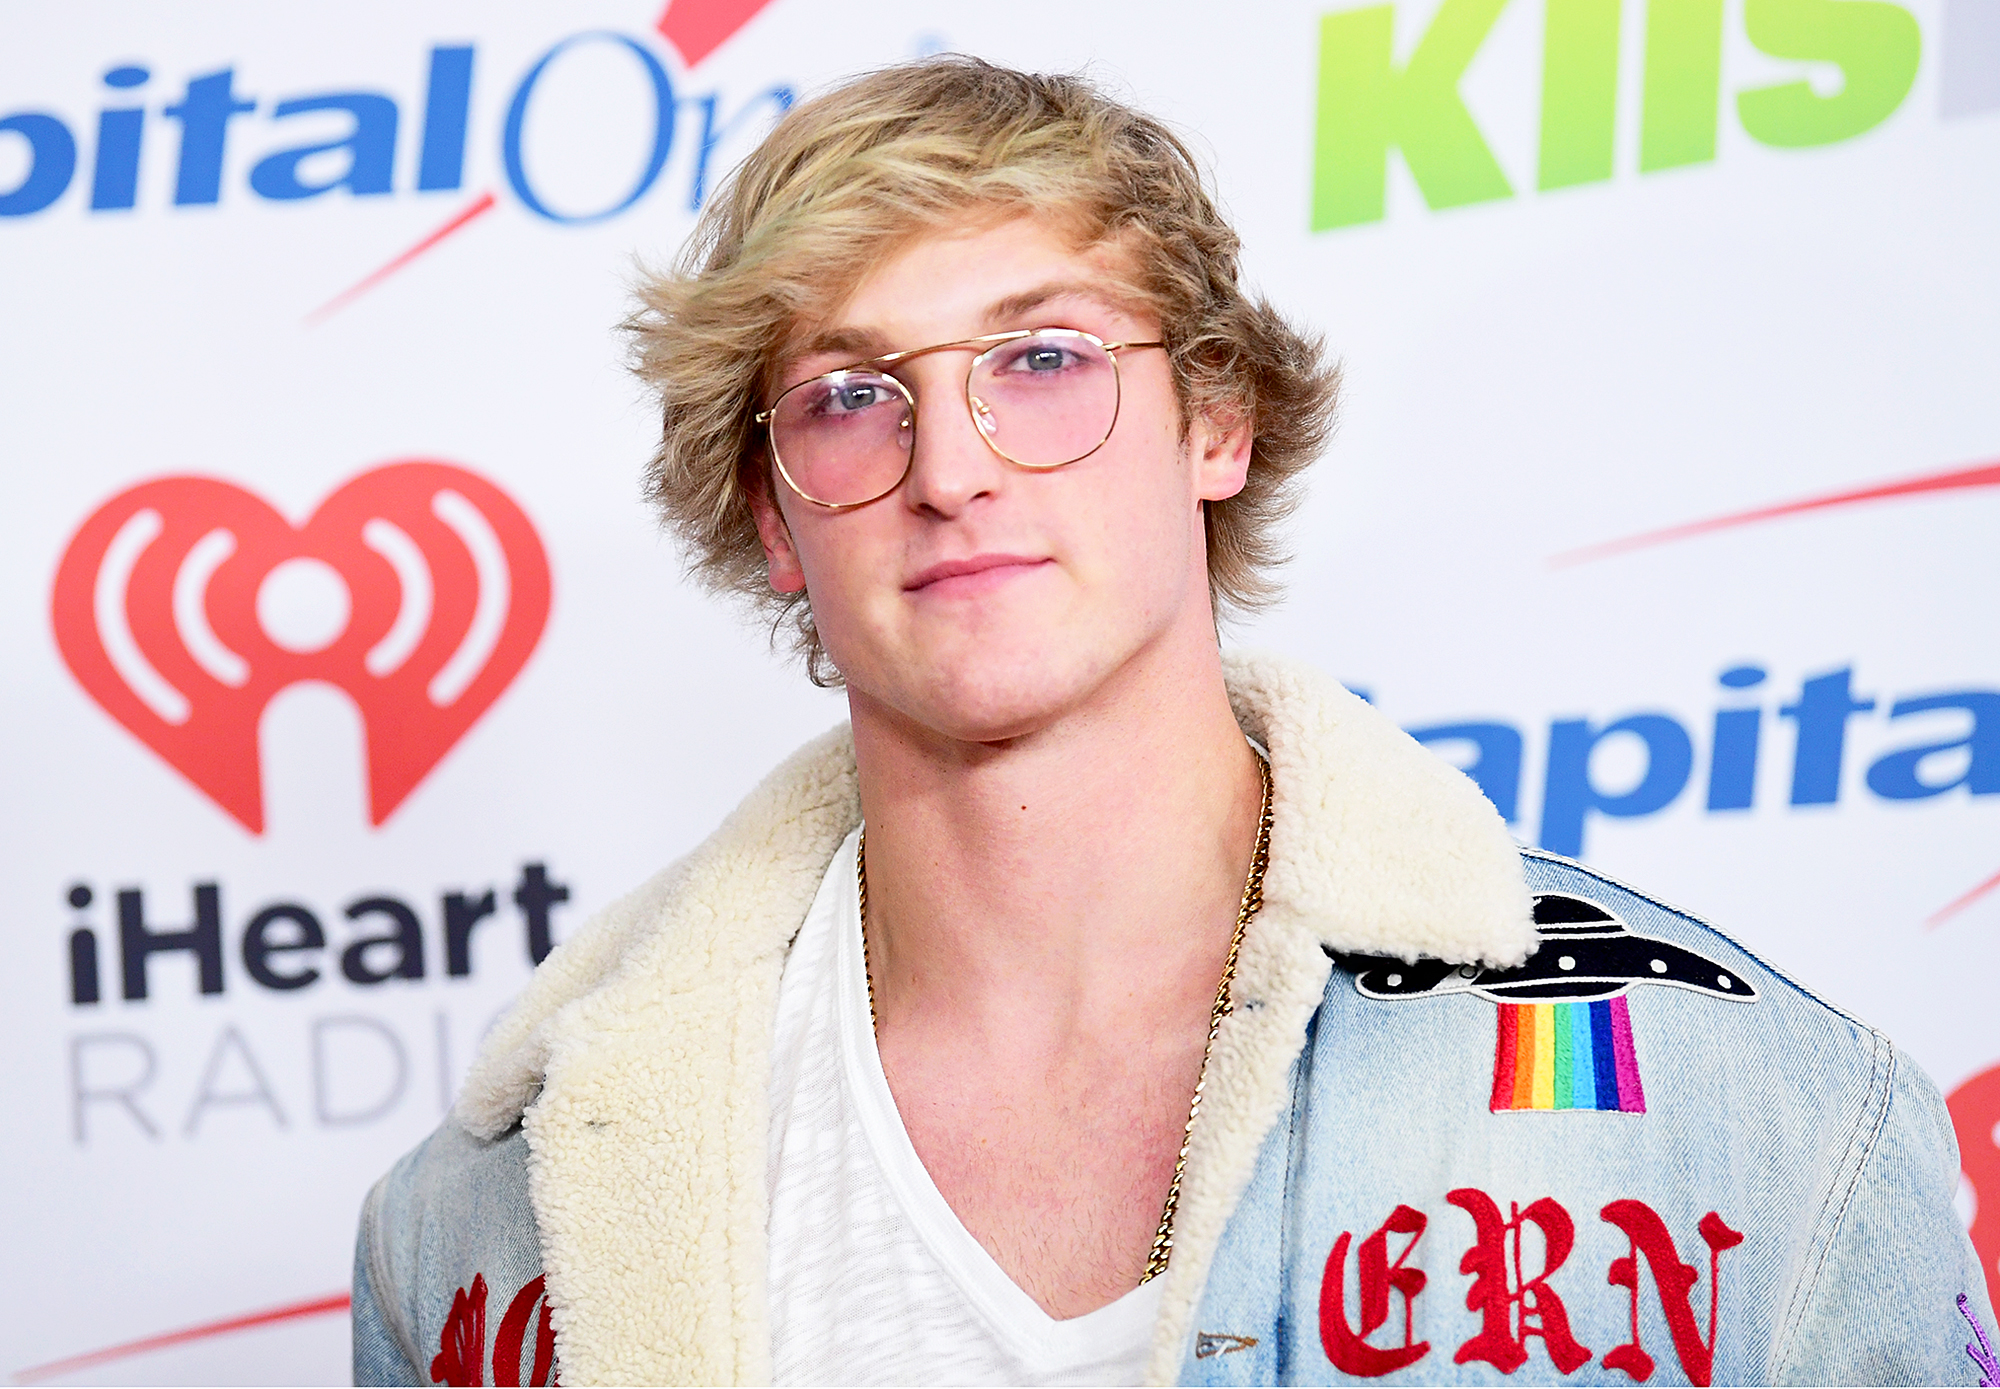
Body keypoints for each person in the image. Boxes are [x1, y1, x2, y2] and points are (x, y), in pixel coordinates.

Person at [352, 56, 1993, 1387]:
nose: (954, 466)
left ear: (1216, 418)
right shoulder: (497, 1221)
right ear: (773, 516)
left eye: (1046, 358)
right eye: (852, 397)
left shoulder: (1748, 1110)